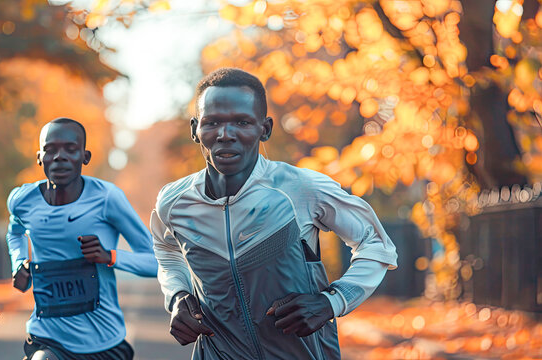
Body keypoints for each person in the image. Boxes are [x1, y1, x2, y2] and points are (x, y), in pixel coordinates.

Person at [151, 68, 398, 359]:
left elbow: (378, 245)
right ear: (195, 129)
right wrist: (178, 296)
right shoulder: (174, 201)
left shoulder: (300, 188)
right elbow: (167, 250)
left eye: (242, 122)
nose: (225, 135)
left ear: (264, 128)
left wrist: (332, 301)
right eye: (212, 122)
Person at [6, 117, 158, 360]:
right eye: (50, 150)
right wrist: (19, 262)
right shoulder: (22, 200)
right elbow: (14, 233)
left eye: (70, 149)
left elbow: (156, 262)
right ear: (39, 157)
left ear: (85, 157)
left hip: (102, 339)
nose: (59, 157)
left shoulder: (107, 198)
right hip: (47, 334)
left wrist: (109, 256)